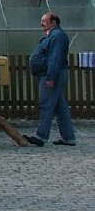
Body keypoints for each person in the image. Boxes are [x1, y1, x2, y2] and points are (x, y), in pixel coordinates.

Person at [25, 12, 76, 147]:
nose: (41, 23)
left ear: (53, 22)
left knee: (46, 104)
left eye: (44, 21)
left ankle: (41, 136)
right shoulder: (54, 35)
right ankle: (69, 137)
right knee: (60, 107)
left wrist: (50, 77)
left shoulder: (57, 36)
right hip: (51, 73)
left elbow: (55, 58)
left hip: (51, 74)